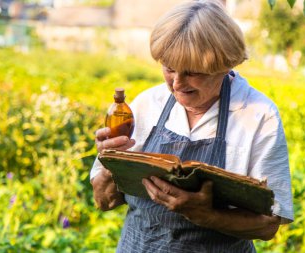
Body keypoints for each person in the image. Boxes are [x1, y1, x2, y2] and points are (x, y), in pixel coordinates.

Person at [90, 1, 294, 252]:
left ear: (224, 64)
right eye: (169, 68)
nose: (176, 83)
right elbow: (103, 201)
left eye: (193, 73)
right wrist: (111, 162)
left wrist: (206, 215)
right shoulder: (147, 104)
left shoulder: (258, 115)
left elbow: (268, 225)